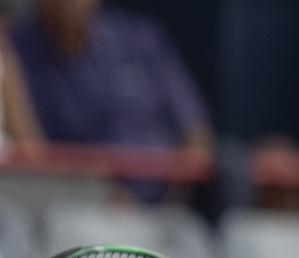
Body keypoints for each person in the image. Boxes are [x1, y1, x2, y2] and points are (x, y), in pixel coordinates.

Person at [11, 0, 213, 203]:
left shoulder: (140, 40)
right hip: (67, 209)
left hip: (159, 212)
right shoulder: (14, 54)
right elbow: (31, 156)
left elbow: (195, 134)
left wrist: (170, 208)